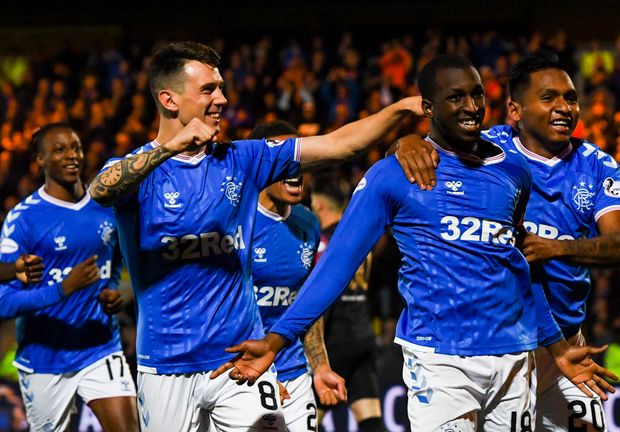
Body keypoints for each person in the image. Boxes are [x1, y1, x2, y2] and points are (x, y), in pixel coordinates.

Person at [212, 55, 617, 432]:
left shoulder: (513, 172)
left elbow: (517, 269)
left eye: (476, 94)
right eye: (455, 97)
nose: (471, 106)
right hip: (441, 361)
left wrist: (558, 349)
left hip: (515, 358)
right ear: (427, 108)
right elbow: (335, 265)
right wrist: (279, 338)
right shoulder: (392, 176)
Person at [87, 41, 422, 432]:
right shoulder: (138, 173)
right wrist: (171, 147)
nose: (222, 99)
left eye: (222, 87)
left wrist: (398, 110)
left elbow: (337, 145)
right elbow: (100, 189)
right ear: (169, 100)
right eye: (209, 90)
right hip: (166, 366)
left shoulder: (242, 159)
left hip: (240, 361)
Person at [397, 50, 620, 432]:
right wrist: (408, 141)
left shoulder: (597, 164)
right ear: (515, 109)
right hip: (506, 342)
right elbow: (432, 143)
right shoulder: (488, 149)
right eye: (549, 98)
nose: (564, 108)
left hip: (567, 339)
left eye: (570, 98)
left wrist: (556, 248)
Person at [0, 123, 138, 432]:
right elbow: (3, 304)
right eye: (59, 150)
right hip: (45, 359)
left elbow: (113, 261)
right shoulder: (24, 219)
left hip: (100, 347)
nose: (71, 155)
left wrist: (111, 290)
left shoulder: (104, 207)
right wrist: (63, 289)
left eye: (75, 147)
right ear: (40, 159)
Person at [248, 120, 346, 432]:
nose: (295, 167)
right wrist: (260, 378)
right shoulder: (236, 221)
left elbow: (307, 303)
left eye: (300, 158)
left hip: (294, 368)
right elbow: (218, 307)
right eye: (284, 159)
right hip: (242, 369)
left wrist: (320, 366)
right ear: (261, 166)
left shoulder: (307, 222)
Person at [309, 173, 386, 432]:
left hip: (335, 338)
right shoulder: (361, 238)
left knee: (310, 418)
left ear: (318, 205)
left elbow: (321, 298)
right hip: (362, 334)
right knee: (371, 416)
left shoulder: (324, 243)